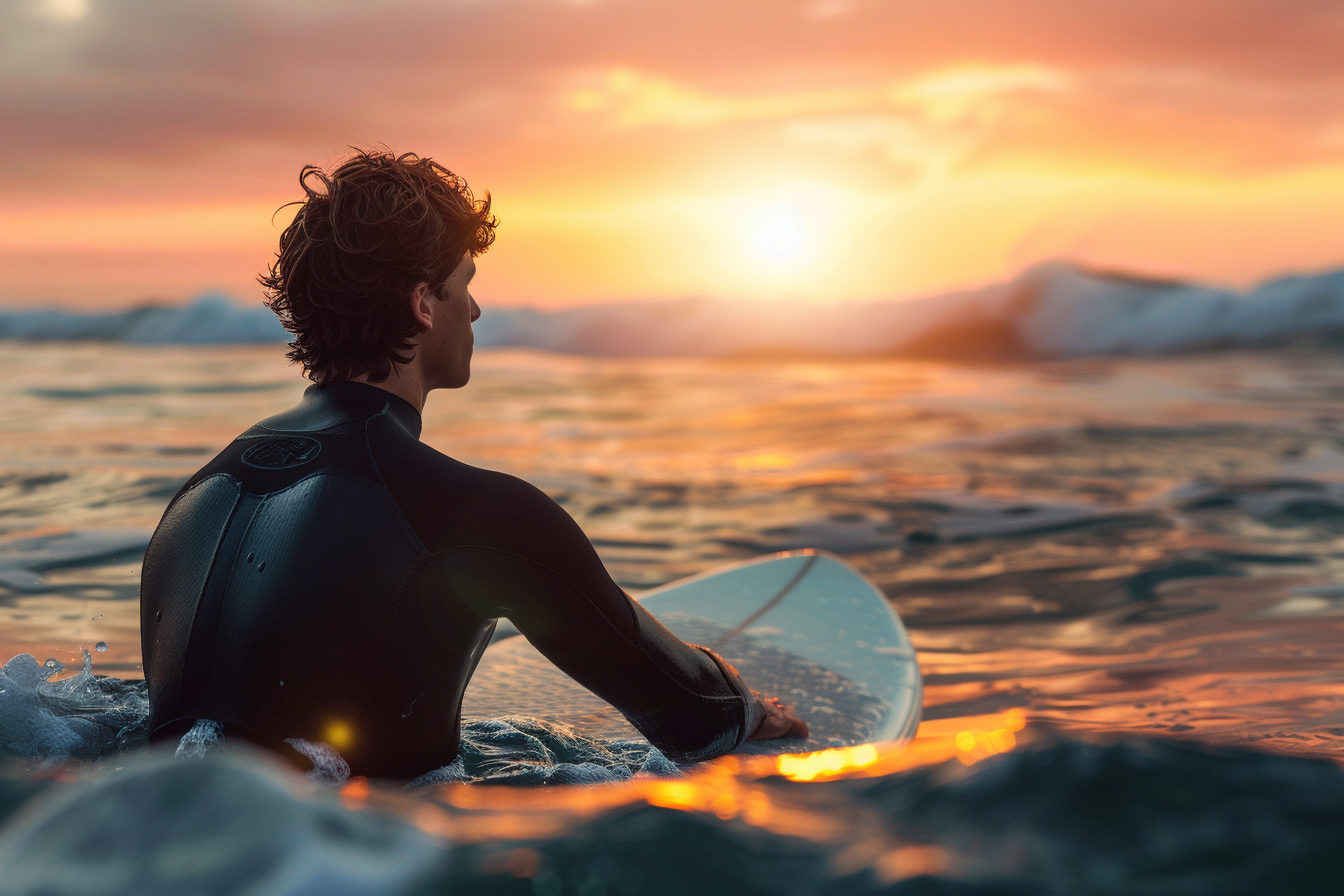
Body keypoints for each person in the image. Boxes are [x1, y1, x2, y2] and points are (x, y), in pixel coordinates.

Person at [139, 149, 807, 778]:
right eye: (466, 282)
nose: (478, 308)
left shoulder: (196, 499)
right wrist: (743, 704)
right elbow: (693, 719)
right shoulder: (469, 513)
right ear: (424, 304)